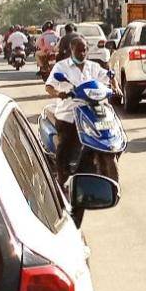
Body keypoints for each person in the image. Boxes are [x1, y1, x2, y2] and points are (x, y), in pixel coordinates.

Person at [44, 36, 116, 186]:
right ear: (71, 50)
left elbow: (108, 76)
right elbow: (49, 86)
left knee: (111, 135)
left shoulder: (93, 66)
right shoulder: (61, 67)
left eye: (84, 50)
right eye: (78, 51)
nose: (82, 54)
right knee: (65, 146)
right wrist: (58, 93)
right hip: (69, 113)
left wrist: (115, 86)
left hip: (92, 111)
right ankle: (61, 180)